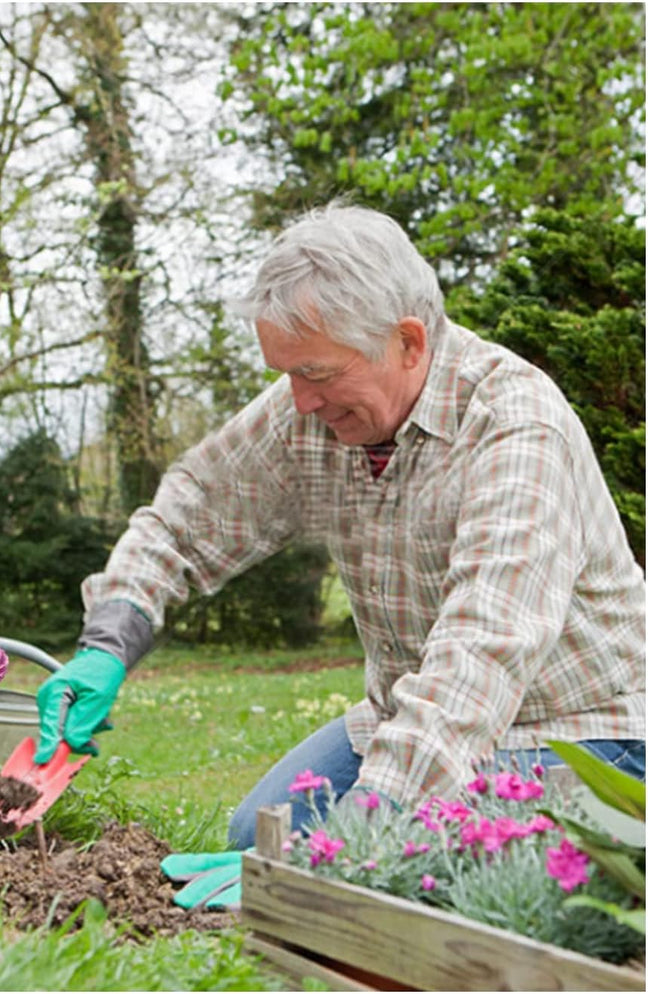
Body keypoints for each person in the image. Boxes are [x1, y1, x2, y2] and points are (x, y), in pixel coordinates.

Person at [34, 201, 646, 864]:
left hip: (581, 734)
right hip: (408, 718)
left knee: (416, 872)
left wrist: (348, 845)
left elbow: (479, 658)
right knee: (258, 841)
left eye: (318, 374)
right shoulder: (315, 409)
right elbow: (188, 516)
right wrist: (109, 641)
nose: (300, 401)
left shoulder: (515, 429)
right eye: (289, 374)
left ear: (409, 343)